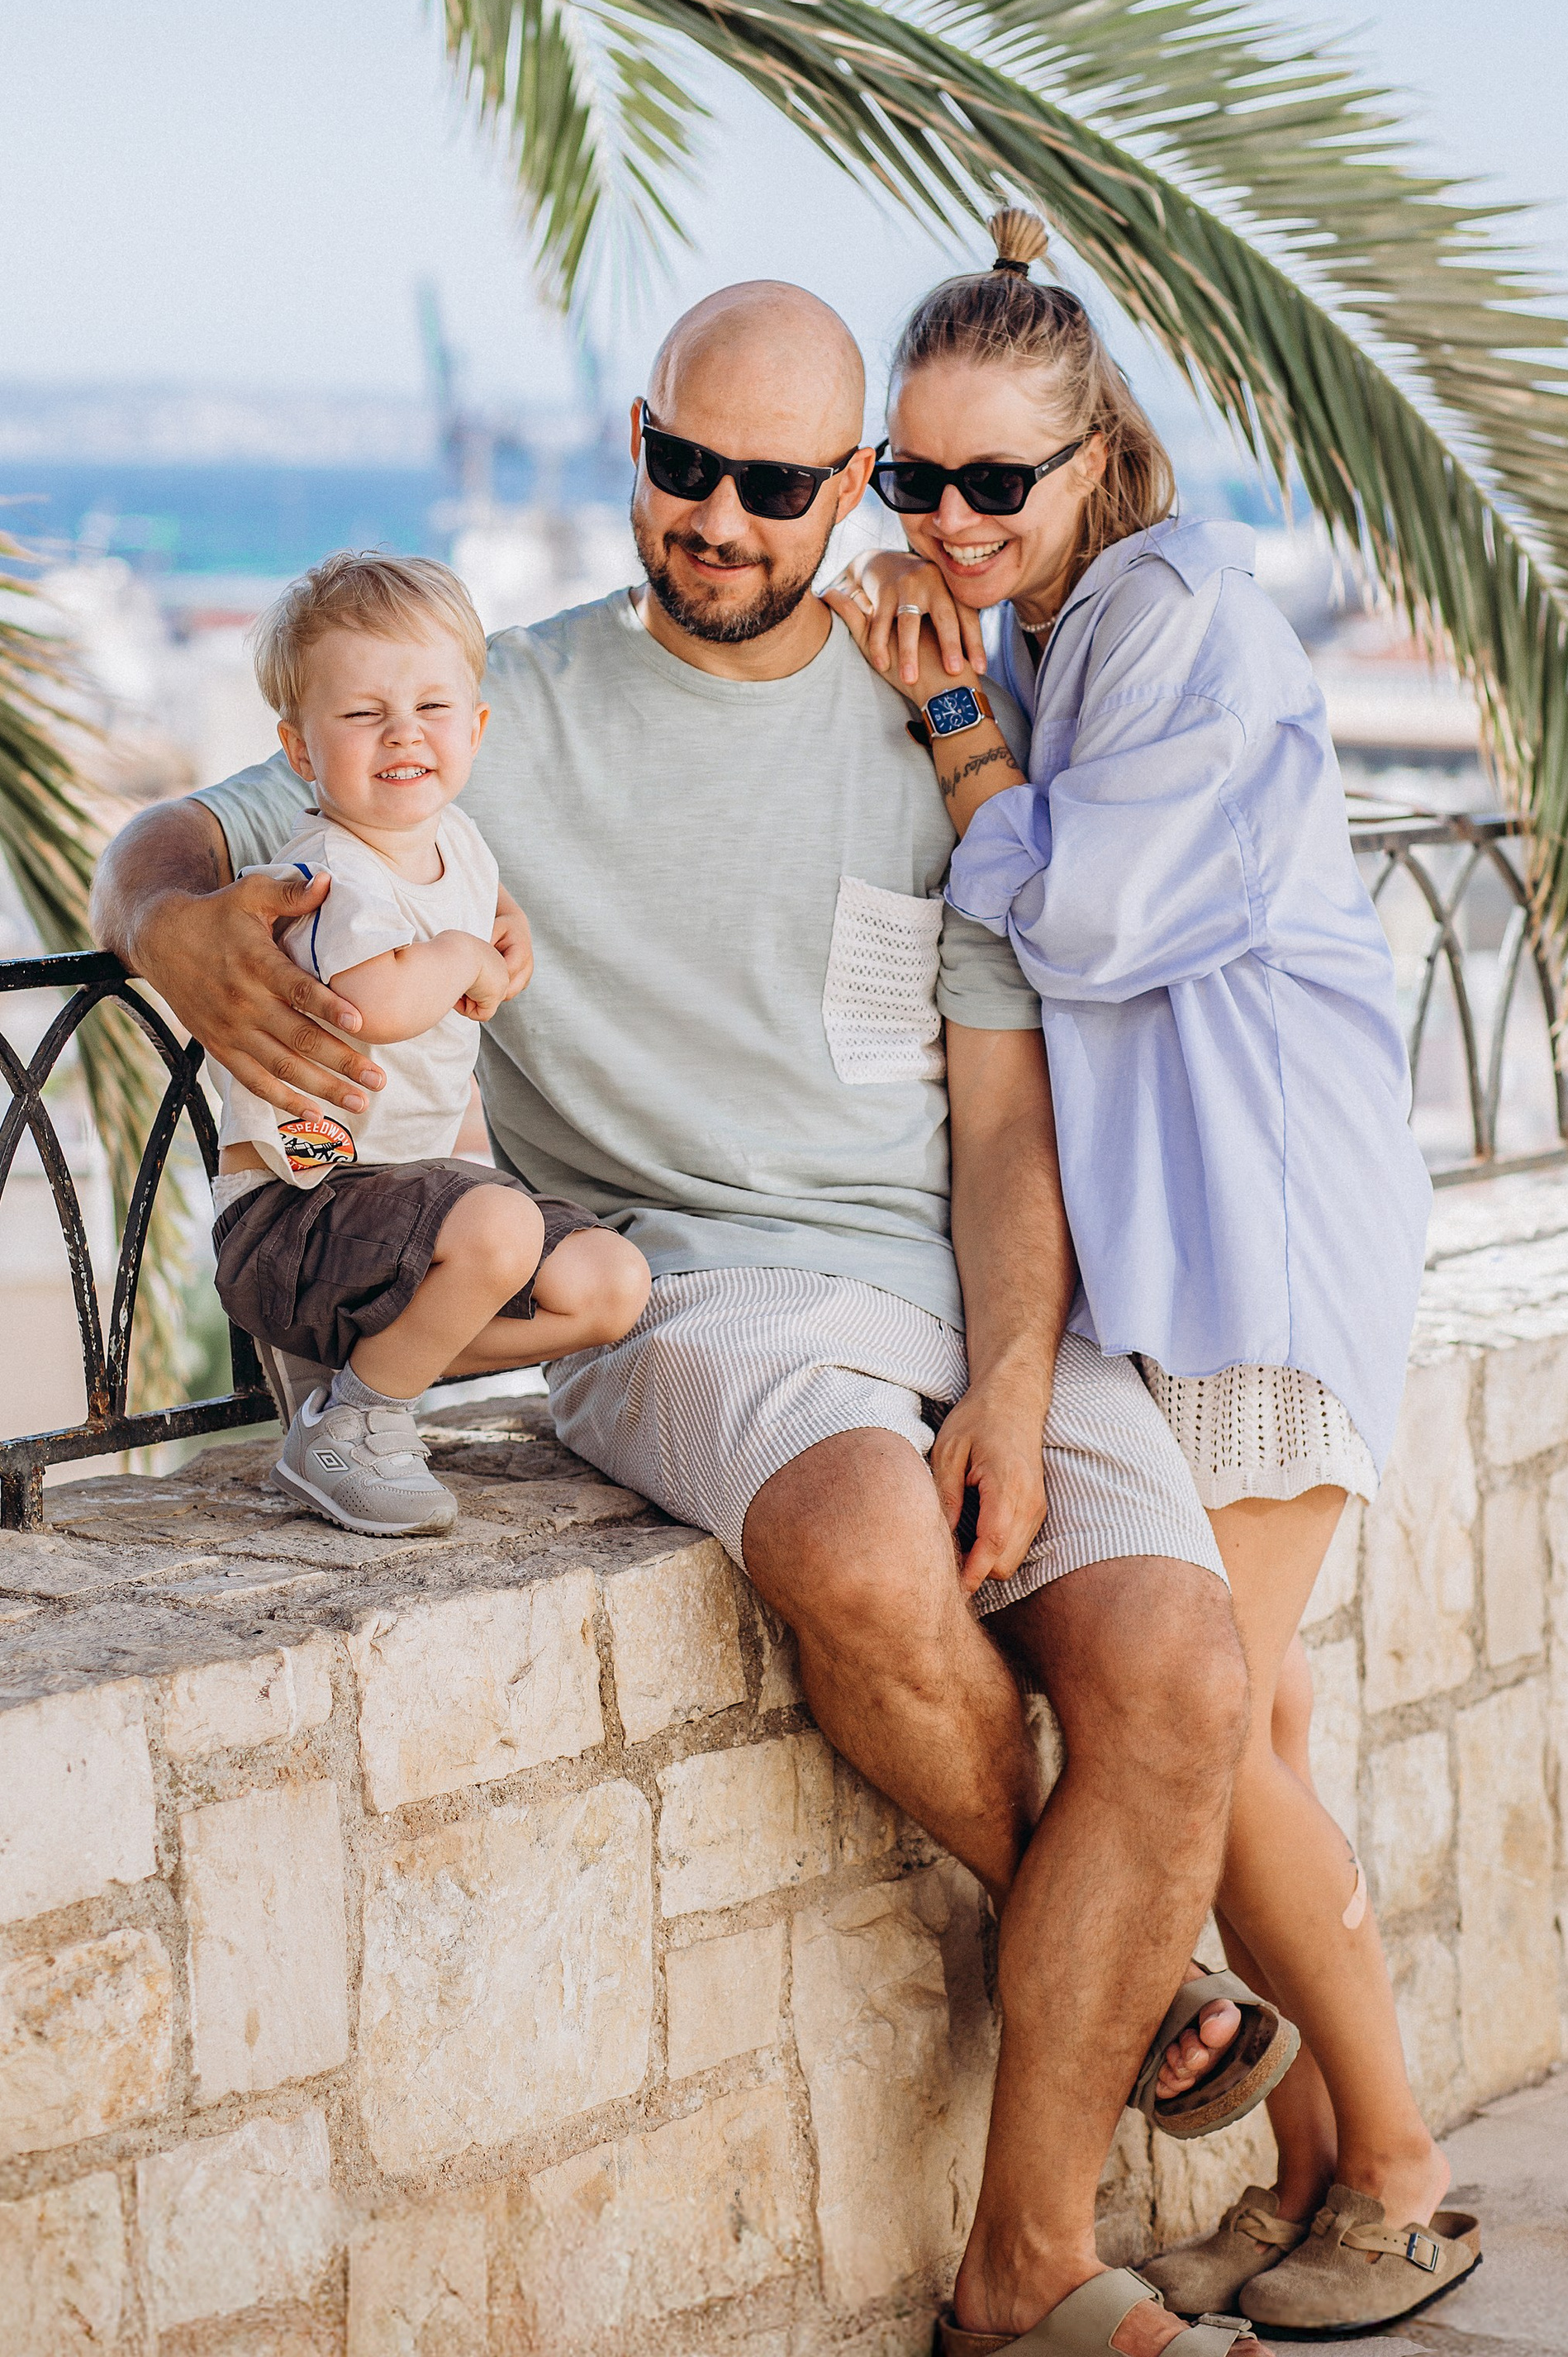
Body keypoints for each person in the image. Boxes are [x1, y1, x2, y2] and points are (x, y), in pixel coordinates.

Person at [93, 279, 1291, 2357]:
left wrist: (1012, 1369)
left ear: (851, 490)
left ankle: (1019, 2266)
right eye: (680, 464)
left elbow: (1001, 1123)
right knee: (853, 1538)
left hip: (943, 1282)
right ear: (631, 441)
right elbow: (181, 831)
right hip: (686, 1279)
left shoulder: (927, 726)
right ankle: (1093, 1964)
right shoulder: (494, 710)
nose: (716, 517)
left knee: (1177, 1667)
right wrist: (168, 927)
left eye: (772, 482)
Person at [828, 211, 1475, 2342]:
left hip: (1244, 1235)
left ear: (1097, 455)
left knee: (1227, 1741)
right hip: (1178, 1237)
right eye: (907, 478)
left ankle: (1390, 2172)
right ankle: (1306, 2183)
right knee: (1258, 1708)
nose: (945, 519)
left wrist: (945, 727)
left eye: (991, 480)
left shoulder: (1170, 612)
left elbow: (1083, 920)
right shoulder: (1057, 618)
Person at [210, 549, 649, 1536]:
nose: (403, 733)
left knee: (607, 1288)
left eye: (433, 709)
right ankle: (357, 1427)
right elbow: (377, 1003)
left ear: (476, 727)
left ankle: (367, 1375)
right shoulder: (330, 875)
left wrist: (502, 926)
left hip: (397, 1216)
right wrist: (460, 952)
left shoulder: (454, 838)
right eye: (363, 714)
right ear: (301, 749)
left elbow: (477, 898)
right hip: (296, 1214)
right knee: (499, 1220)